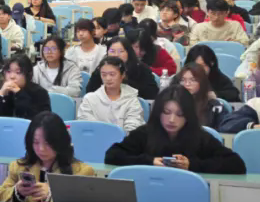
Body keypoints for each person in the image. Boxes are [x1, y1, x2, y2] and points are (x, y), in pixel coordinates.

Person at [106, 86, 246, 174]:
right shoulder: (144, 133)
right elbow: (112, 155)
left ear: (188, 116)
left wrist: (192, 164)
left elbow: (236, 164)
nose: (172, 120)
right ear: (158, 112)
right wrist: (150, 161)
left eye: (180, 114)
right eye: (166, 112)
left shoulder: (200, 137)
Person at [0, 112, 96, 202]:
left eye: (47, 143)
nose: (41, 149)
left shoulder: (82, 172)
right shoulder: (18, 167)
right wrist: (17, 193)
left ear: (61, 142)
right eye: (36, 142)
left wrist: (51, 196)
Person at [78, 56, 145, 131]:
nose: (108, 78)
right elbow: (86, 125)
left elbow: (133, 127)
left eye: (112, 74)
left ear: (122, 75)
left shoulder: (131, 100)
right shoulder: (90, 99)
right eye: (104, 75)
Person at [85, 37, 159, 100]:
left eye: (121, 51)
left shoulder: (141, 68)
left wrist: (125, 82)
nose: (116, 55)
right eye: (112, 51)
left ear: (128, 52)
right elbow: (90, 91)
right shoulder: (102, 68)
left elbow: (152, 94)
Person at [0, 54, 52, 119]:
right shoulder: (1, 91)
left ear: (28, 74)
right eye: (8, 71)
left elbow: (42, 120)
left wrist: (19, 94)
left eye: (18, 72)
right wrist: (0, 95)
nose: (12, 76)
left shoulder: (40, 93)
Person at [172, 65, 228, 130]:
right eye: (183, 80)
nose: (187, 84)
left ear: (202, 82)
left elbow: (224, 132)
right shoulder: (174, 103)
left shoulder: (215, 107)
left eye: (192, 80)